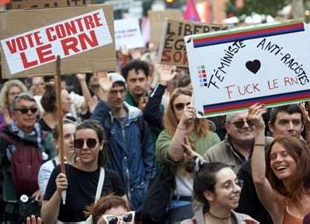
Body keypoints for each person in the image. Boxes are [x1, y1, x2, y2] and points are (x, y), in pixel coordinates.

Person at [0, 93, 56, 220]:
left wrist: (45, 189)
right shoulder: (4, 141)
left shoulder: (48, 139)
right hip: (13, 211)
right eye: (24, 110)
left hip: (43, 210)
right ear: (14, 115)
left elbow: (56, 169)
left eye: (33, 109)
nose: (29, 113)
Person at [250, 103, 310, 224]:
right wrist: (259, 130)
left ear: (300, 159)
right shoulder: (278, 204)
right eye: (273, 157)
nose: (278, 160)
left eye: (284, 154)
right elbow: (259, 179)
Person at [91, 72, 156, 213]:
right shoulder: (104, 120)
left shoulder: (137, 118)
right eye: (113, 92)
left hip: (141, 194)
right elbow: (91, 130)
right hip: (114, 195)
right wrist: (103, 102)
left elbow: (149, 154)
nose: (118, 96)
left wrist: (147, 185)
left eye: (121, 91)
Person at [156, 87, 220, 223]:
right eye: (179, 106)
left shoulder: (211, 137)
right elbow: (173, 156)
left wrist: (197, 158)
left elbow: (218, 170)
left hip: (210, 202)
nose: (185, 109)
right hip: (181, 203)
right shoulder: (165, 136)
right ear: (172, 112)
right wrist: (183, 124)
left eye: (189, 105)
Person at [41, 120, 126, 223]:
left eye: (91, 142)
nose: (84, 147)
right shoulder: (61, 172)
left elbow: (126, 216)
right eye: (79, 143)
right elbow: (46, 220)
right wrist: (58, 192)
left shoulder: (112, 177)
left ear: (101, 145)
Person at [181, 158, 258, 224]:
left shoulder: (247, 221)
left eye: (237, 182)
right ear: (209, 195)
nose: (237, 189)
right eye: (227, 186)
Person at [122, 60, 177, 136]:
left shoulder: (159, 102)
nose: (138, 84)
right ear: (126, 82)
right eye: (133, 80)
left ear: (147, 79)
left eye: (141, 79)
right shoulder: (121, 105)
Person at [38, 118, 76, 196]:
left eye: (75, 136)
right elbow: (47, 199)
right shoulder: (47, 168)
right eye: (67, 136)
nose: (72, 140)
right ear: (55, 142)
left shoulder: (85, 164)